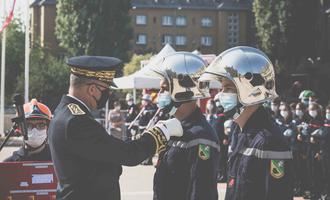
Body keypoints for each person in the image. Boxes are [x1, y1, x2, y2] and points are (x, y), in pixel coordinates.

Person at [48, 56, 184, 200]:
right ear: (92, 89)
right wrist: (161, 132)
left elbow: (107, 148)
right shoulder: (76, 121)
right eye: (105, 89)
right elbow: (128, 154)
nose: (108, 95)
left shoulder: (66, 113)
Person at [199, 46, 294, 200]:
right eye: (222, 88)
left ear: (249, 91)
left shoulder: (269, 141)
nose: (221, 95)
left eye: (228, 88)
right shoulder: (239, 131)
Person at [147, 52, 220, 200]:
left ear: (183, 90)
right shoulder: (174, 128)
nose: (160, 94)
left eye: (165, 89)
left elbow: (201, 193)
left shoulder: (201, 136)